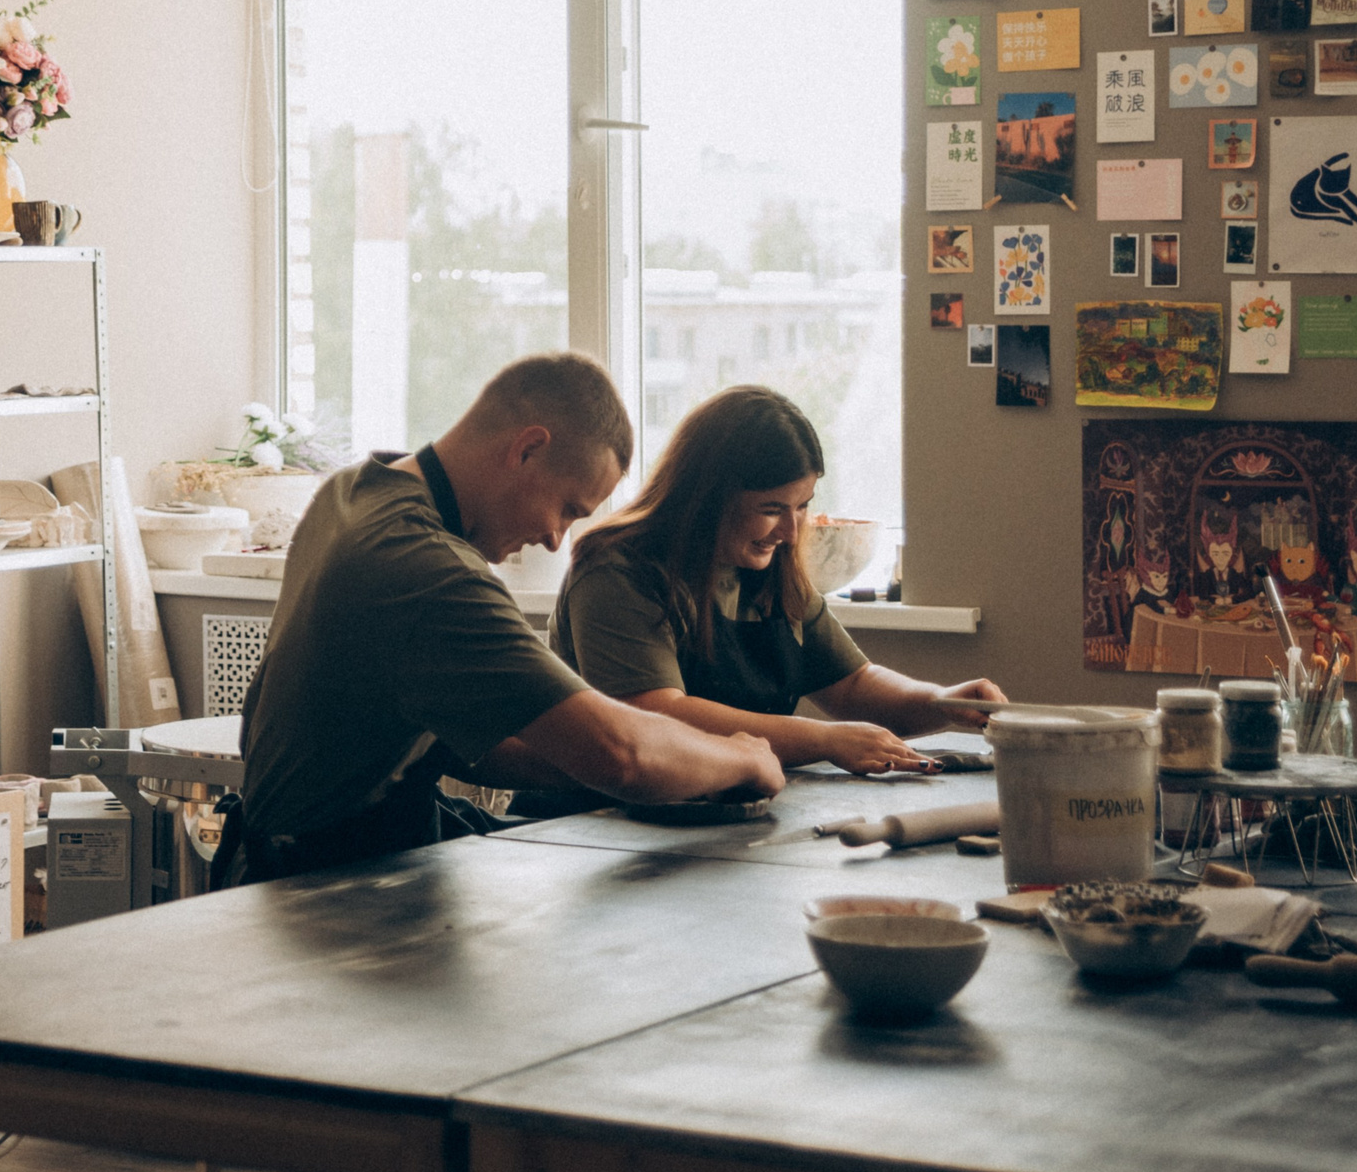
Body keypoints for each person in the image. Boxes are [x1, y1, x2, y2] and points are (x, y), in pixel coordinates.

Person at [222, 353, 785, 885]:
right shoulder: (426, 566)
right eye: (568, 509)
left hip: (312, 843)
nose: (554, 538)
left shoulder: (353, 490)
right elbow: (621, 755)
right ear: (526, 450)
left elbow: (484, 746)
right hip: (322, 882)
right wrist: (741, 757)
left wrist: (681, 772)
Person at [554, 387, 1005, 774]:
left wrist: (941, 701)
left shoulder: (765, 566)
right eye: (772, 509)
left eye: (802, 505)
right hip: (586, 821)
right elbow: (655, 714)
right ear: (708, 497)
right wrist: (824, 740)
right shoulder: (616, 571)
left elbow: (850, 684)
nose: (791, 533)